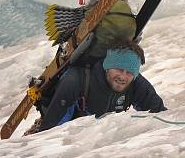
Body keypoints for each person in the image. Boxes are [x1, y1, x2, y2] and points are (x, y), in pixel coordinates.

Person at [35, 40, 167, 133]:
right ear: (107, 66)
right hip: (71, 138)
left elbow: (162, 118)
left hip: (102, 142)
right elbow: (51, 133)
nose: (123, 76)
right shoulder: (77, 80)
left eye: (129, 72)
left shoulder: (136, 83)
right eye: (119, 69)